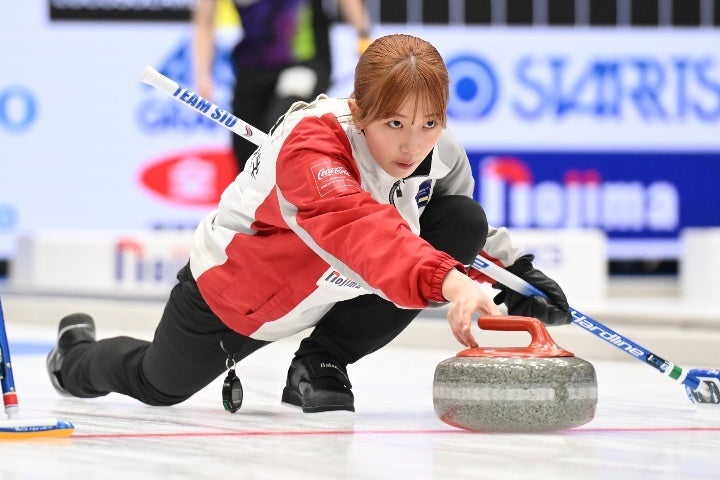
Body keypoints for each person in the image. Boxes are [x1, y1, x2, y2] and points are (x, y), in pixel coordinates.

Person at [46, 34, 572, 414]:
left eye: (429, 123)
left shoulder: (438, 151)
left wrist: (514, 277)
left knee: (461, 220)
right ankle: (73, 357)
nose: (413, 144)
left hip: (334, 289)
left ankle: (320, 363)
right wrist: (452, 282)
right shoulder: (312, 145)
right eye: (394, 124)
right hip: (239, 296)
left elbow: (459, 224)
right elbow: (358, 229)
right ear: (359, 110)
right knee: (158, 385)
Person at [193, 0, 371, 173]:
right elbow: (204, 21)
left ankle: (301, 196)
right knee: (247, 157)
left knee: (281, 130)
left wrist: (363, 34)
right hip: (251, 69)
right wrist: (202, 75)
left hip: (304, 63)